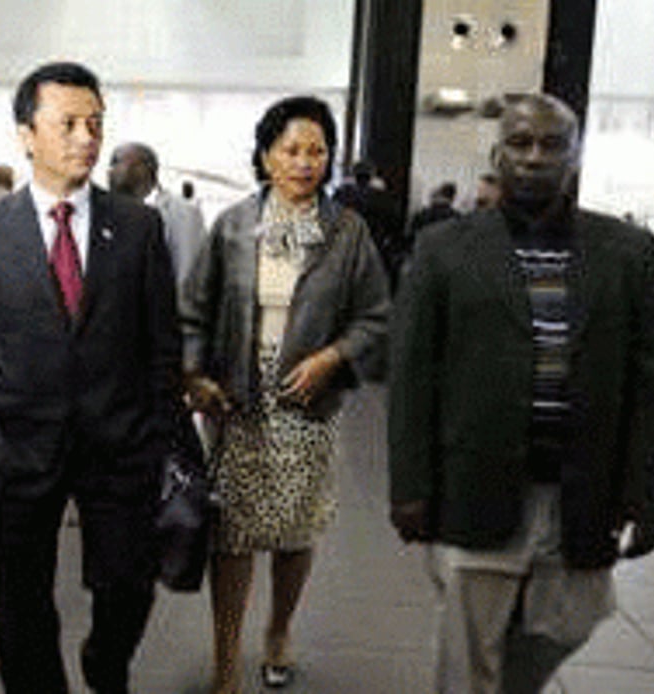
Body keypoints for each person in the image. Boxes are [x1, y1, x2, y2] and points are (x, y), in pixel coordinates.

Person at [388, 93, 654, 694]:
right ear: (497, 155)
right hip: (475, 481)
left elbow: (652, 387)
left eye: (552, 145)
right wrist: (410, 485)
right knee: (467, 654)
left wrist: (644, 491)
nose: (535, 158)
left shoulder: (628, 252)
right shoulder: (448, 248)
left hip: (583, 486)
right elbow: (413, 374)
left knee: (571, 622)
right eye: (520, 144)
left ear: (575, 155)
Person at [0, 61, 192, 694]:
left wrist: (160, 433)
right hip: (17, 447)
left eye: (95, 123)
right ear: (27, 134)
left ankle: (107, 661)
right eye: (69, 123)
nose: (86, 137)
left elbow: (162, 343)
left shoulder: (137, 227)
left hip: (121, 444)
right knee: (21, 601)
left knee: (128, 587)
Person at [181, 96, 389, 693]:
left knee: (295, 530)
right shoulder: (234, 225)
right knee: (232, 534)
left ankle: (278, 631)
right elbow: (192, 311)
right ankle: (225, 658)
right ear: (266, 154)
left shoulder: (347, 233)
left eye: (317, 151)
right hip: (236, 400)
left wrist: (330, 357)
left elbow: (377, 316)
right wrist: (195, 375)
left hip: (308, 403)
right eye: (291, 149)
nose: (304, 162)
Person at [109, 141, 207, 290]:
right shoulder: (107, 211)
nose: (109, 171)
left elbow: (188, 272)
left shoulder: (182, 212)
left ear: (143, 168)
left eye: (116, 162)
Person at [333, 160, 405, 283]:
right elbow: (394, 222)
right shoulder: (382, 197)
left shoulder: (343, 194)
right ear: (372, 175)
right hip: (375, 245)